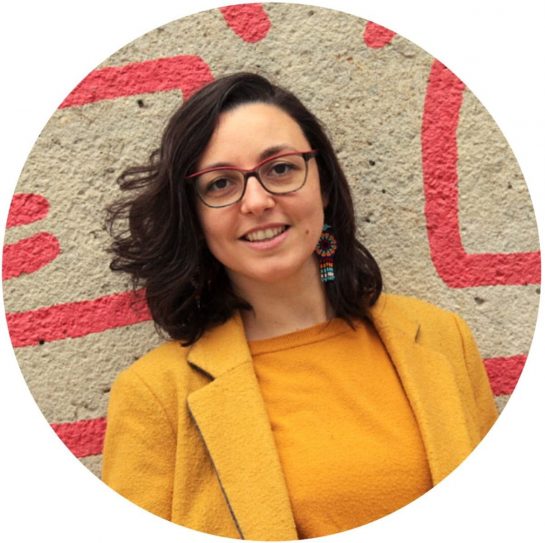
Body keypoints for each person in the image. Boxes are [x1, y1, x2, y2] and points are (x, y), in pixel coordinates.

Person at [102, 72, 498, 540]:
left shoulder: (441, 337)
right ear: (194, 216)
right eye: (221, 184)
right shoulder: (153, 396)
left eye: (282, 169)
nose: (257, 201)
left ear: (323, 185)